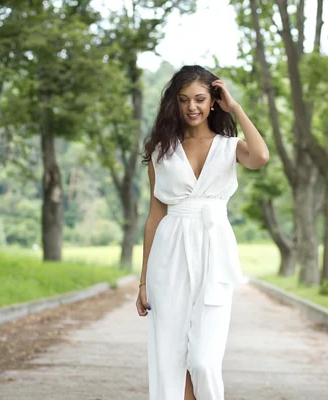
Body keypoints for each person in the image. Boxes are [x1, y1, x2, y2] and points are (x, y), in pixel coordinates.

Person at [136, 65, 269, 400]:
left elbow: (261, 156)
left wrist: (236, 108)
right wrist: (143, 281)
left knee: (203, 361)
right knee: (171, 359)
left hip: (214, 253)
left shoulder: (229, 146)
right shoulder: (161, 150)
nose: (191, 107)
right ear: (174, 104)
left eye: (199, 98)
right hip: (169, 256)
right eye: (183, 100)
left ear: (214, 101)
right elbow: (155, 215)